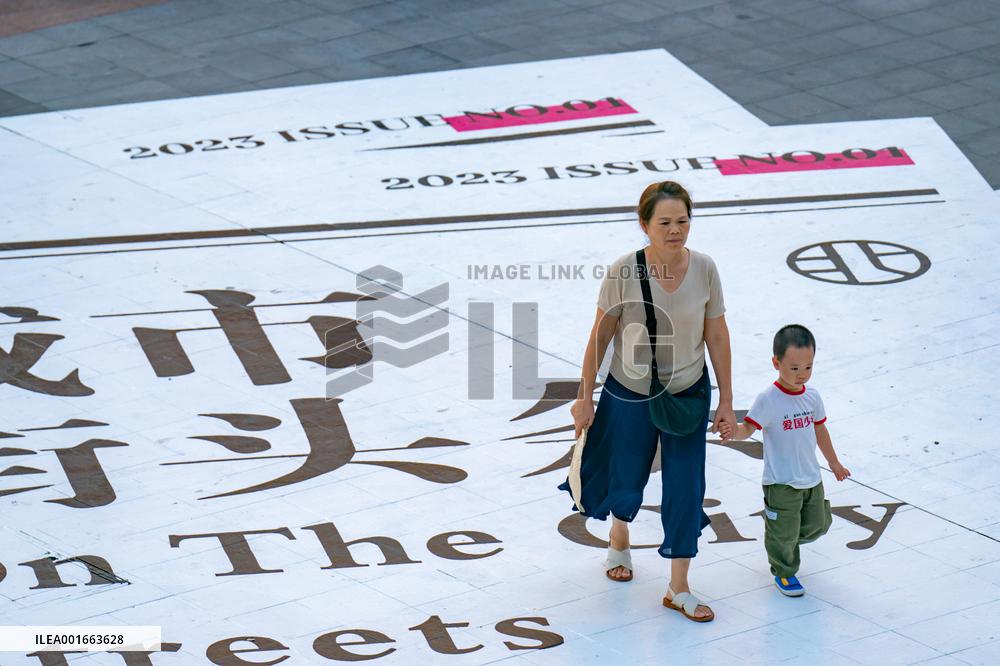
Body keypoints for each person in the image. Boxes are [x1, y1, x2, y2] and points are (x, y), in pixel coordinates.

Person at [560, 180, 736, 623]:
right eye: (665, 223)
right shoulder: (624, 271)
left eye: (682, 221)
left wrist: (727, 398)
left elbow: (716, 332)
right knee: (625, 476)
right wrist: (584, 397)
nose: (676, 230)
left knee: (686, 486)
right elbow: (599, 337)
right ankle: (619, 539)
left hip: (688, 394)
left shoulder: (706, 269)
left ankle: (679, 587)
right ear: (645, 225)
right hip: (630, 392)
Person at [728, 324, 850, 597]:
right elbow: (749, 428)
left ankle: (780, 532)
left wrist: (834, 463)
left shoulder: (812, 396)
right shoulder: (769, 399)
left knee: (818, 524)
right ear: (776, 362)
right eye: (794, 368)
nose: (801, 374)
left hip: (811, 477)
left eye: (808, 367)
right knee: (784, 536)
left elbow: (820, 430)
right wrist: (733, 431)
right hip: (781, 481)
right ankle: (784, 571)